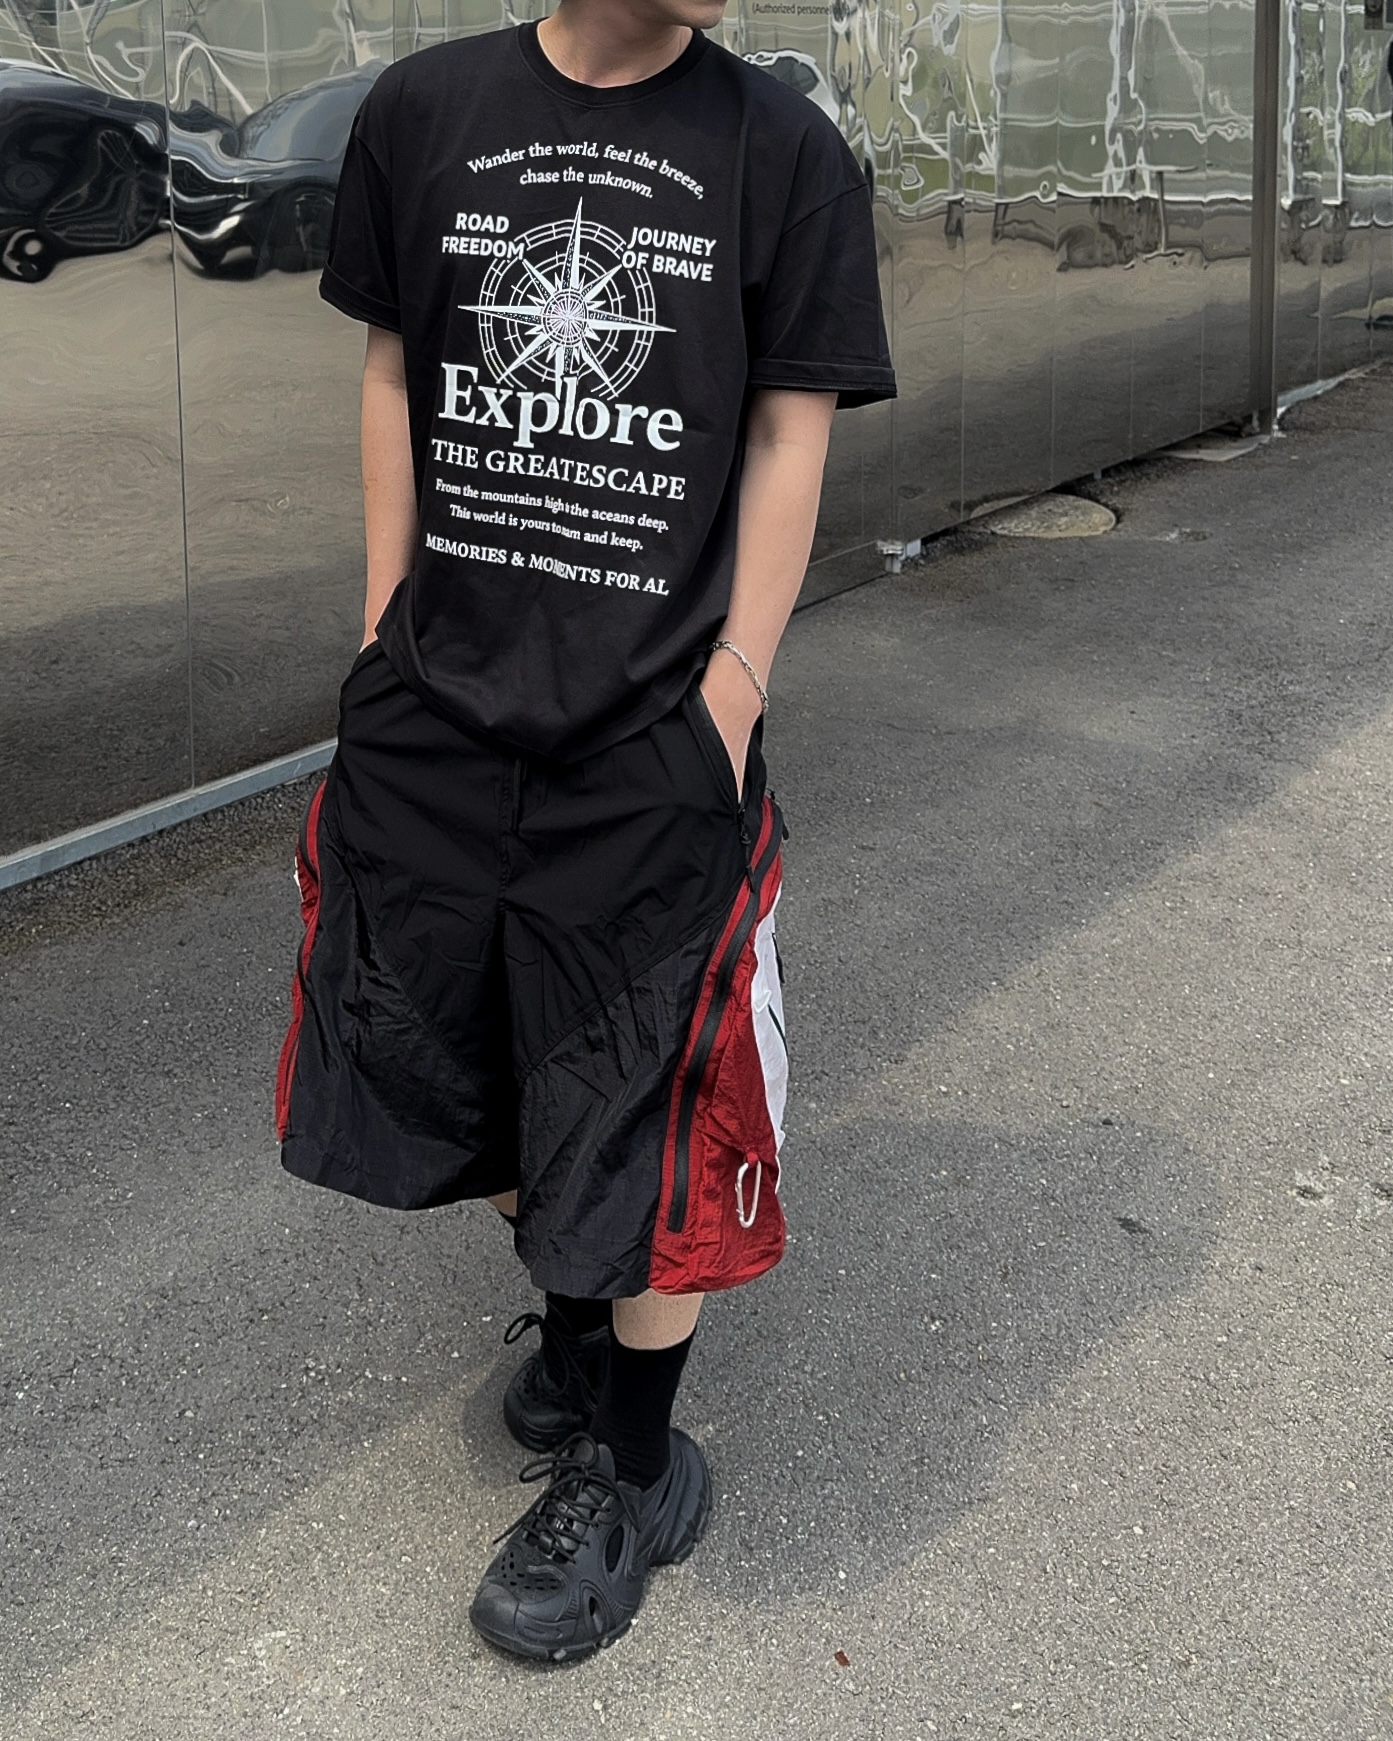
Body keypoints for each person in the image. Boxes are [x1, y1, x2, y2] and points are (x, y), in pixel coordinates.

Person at [275, 0, 894, 1664]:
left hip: (650, 738)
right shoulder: (424, 111)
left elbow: (789, 431)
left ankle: (631, 1464)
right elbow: (397, 368)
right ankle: (576, 1325)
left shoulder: (782, 151)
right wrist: (381, 625)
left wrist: (732, 693)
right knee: (458, 1068)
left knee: (647, 1107)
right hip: (434, 721)